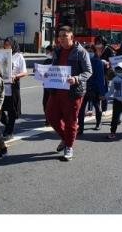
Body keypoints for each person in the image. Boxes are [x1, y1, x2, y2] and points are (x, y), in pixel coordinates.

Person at [45, 27, 91, 161]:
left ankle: (69, 146)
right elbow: (54, 68)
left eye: (65, 35)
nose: (62, 38)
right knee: (51, 116)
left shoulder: (80, 51)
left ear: (72, 37)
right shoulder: (58, 51)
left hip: (73, 92)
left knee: (70, 121)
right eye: (60, 36)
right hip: (57, 90)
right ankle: (66, 138)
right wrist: (46, 75)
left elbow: (88, 71)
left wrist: (76, 78)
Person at [0, 37, 27, 139]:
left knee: (12, 110)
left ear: (13, 45)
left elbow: (24, 72)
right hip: (1, 86)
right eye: (5, 44)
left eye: (9, 44)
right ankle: (7, 124)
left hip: (13, 87)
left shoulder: (18, 56)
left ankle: (9, 131)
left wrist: (16, 76)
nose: (7, 46)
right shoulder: (2, 55)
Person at [78, 40, 107, 133]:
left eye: (91, 51)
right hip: (83, 87)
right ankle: (81, 127)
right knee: (81, 109)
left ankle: (98, 123)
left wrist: (102, 93)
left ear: (94, 52)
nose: (89, 53)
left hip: (94, 88)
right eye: (87, 51)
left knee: (97, 106)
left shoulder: (97, 62)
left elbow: (100, 78)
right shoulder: (81, 61)